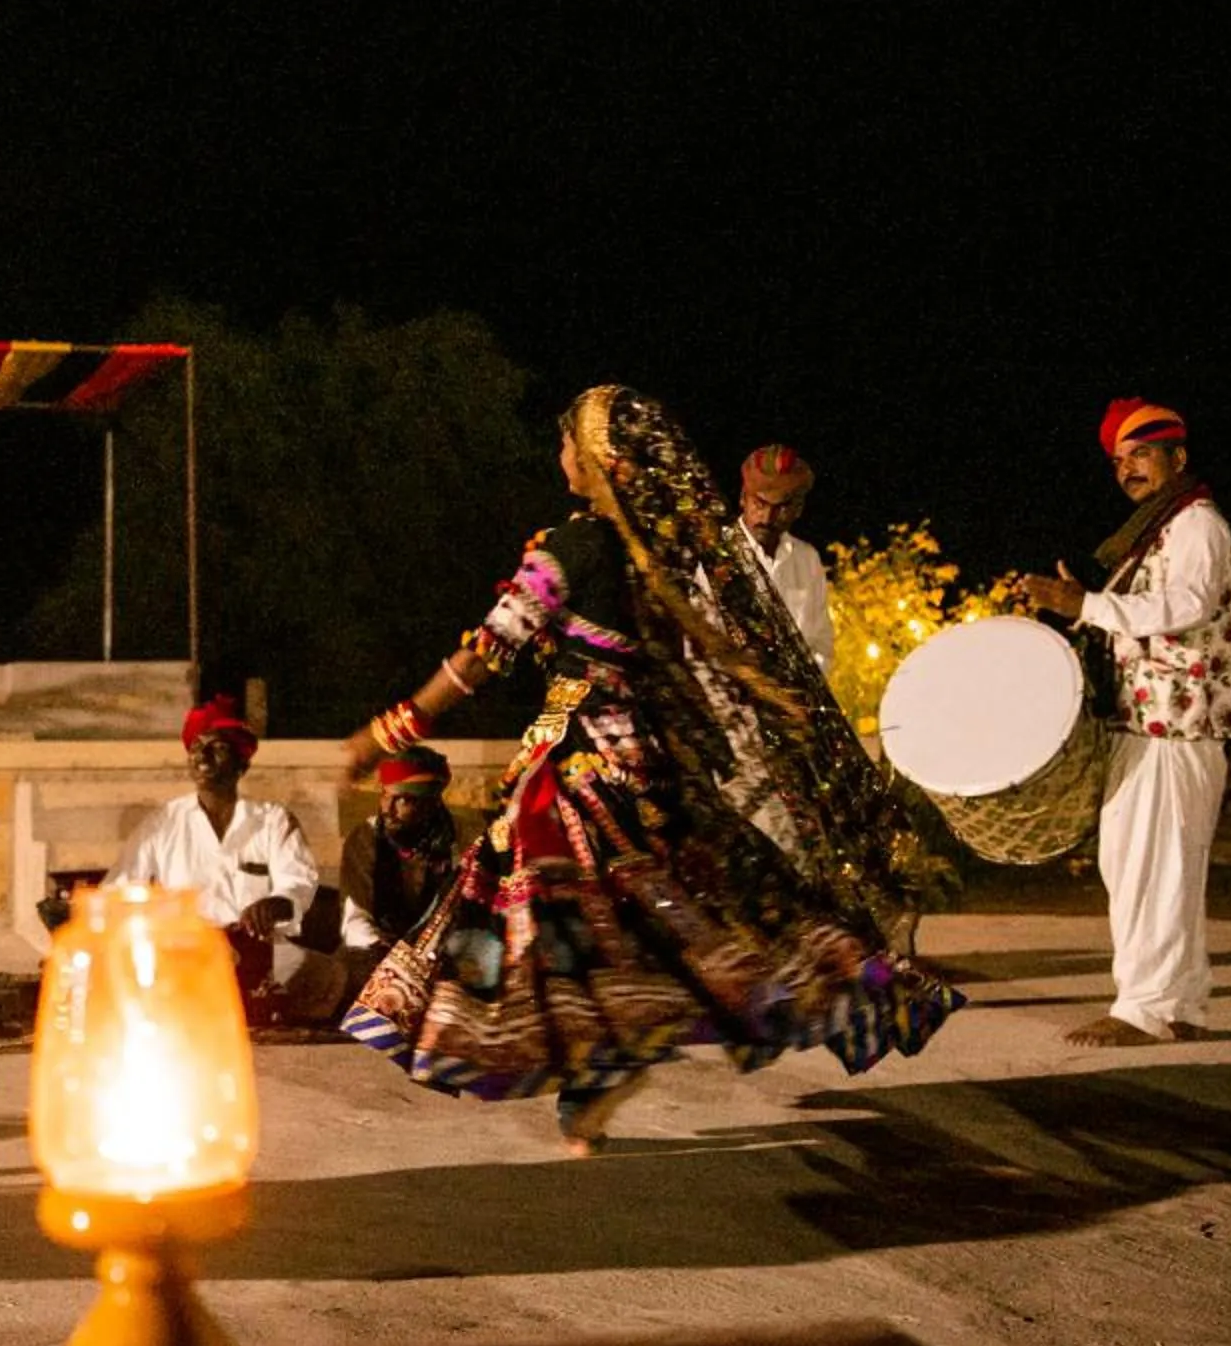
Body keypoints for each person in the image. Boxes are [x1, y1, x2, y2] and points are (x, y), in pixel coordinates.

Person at [340, 383, 964, 1156]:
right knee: (665, 920)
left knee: (543, 913)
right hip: (643, 764)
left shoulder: (573, 546)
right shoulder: (650, 553)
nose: (559, 454)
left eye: (568, 441)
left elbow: (488, 652)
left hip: (585, 771)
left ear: (597, 458)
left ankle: (598, 1063)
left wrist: (388, 730)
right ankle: (605, 1065)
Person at [1014, 398, 1231, 1048]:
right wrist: (1087, 609)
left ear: (1178, 457)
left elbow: (1185, 604)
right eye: (1119, 460)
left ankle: (1144, 1010)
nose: (1128, 470)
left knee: (1151, 869)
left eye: (1141, 454)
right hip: (1153, 727)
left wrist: (1086, 602)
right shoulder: (1159, 532)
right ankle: (1183, 1004)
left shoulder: (1197, 524)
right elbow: (1146, 609)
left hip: (1174, 730)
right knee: (1154, 867)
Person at [105, 695, 344, 1027]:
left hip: (258, 955)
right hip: (184, 952)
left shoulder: (273, 820)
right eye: (196, 747)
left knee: (325, 974)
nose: (202, 757)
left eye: (216, 748)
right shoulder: (162, 823)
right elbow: (120, 887)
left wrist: (275, 903)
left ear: (241, 765)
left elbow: (298, 884)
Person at [333, 743, 459, 985]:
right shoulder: (365, 837)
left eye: (403, 800)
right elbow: (356, 917)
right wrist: (388, 954)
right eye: (385, 795)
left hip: (440, 952)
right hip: (378, 951)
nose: (388, 809)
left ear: (431, 804)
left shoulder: (461, 839)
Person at [735, 443, 835, 676]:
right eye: (760, 504)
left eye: (780, 508)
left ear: (798, 509)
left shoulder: (807, 559)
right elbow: (699, 653)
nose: (767, 517)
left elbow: (821, 641)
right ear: (743, 498)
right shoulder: (718, 557)